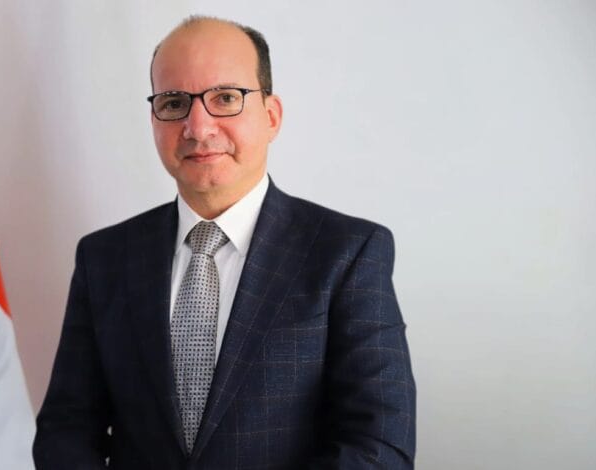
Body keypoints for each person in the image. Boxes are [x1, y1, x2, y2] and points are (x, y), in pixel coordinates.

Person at [33, 16, 416, 469]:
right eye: (174, 103)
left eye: (226, 98)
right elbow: (66, 430)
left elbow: (378, 445)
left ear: (271, 116)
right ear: (154, 118)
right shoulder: (103, 259)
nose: (198, 127)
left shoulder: (348, 253)